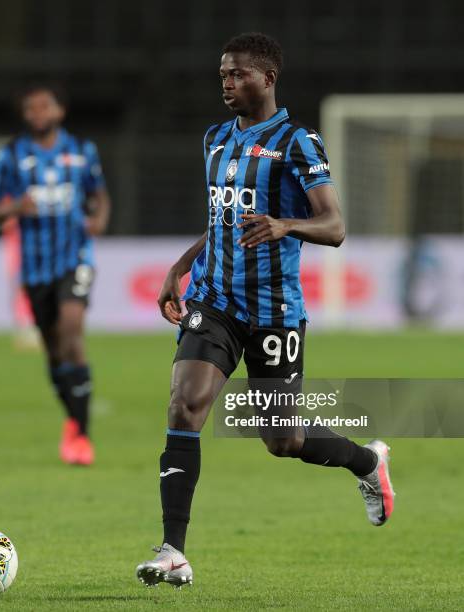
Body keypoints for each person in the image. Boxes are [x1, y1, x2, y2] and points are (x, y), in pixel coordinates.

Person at [136, 32, 394, 588]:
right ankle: (172, 550)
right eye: (222, 74)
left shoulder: (298, 142)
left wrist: (285, 224)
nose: (227, 83)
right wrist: (179, 267)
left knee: (282, 439)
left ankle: (367, 464)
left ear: (267, 76)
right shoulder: (214, 139)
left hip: (275, 309)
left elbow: (335, 226)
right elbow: (222, 219)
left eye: (237, 74)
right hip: (215, 299)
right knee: (186, 404)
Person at [0, 84, 111, 466]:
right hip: (36, 266)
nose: (38, 113)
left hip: (75, 256)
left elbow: (100, 193)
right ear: (25, 115)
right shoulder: (11, 156)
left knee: (72, 330)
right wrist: (13, 207)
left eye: (45, 106)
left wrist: (100, 219)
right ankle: (72, 420)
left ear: (60, 110)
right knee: (55, 350)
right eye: (31, 108)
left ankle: (82, 434)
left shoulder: (82, 151)